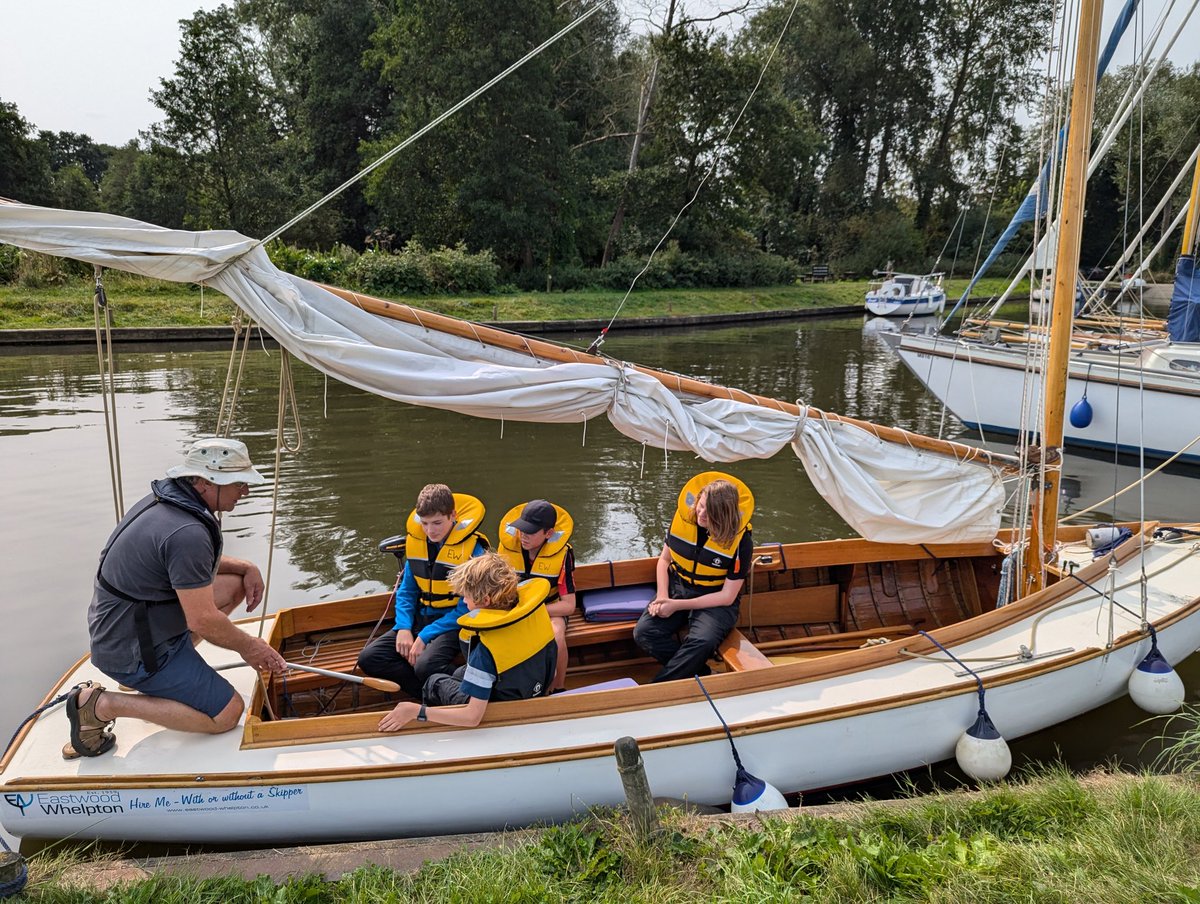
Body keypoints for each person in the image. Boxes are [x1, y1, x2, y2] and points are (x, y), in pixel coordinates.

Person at [65, 438, 287, 760]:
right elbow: (203, 620)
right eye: (239, 483)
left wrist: (247, 566)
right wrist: (251, 647)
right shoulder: (187, 533)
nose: (246, 491)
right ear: (208, 483)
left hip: (129, 625)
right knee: (227, 712)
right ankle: (100, 705)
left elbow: (179, 564)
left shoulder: (170, 504)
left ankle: (163, 675)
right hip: (134, 648)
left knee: (235, 583)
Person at [378, 552, 556, 730]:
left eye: (467, 597)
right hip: (531, 689)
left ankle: (435, 730)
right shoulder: (535, 615)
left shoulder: (485, 649)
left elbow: (472, 717)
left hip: (501, 707)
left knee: (434, 682)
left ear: (485, 600)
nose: (464, 601)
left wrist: (416, 711)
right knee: (457, 676)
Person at [357, 483, 488, 698]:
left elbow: (467, 608)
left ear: (453, 515)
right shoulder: (418, 544)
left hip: (454, 624)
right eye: (425, 523)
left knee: (425, 665)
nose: (430, 530)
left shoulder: (474, 551)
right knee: (369, 658)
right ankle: (429, 697)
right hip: (420, 618)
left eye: (437, 523)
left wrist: (425, 636)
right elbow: (407, 592)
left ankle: (467, 693)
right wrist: (404, 628)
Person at [633, 472, 755, 683]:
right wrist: (663, 597)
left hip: (715, 598)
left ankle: (658, 687)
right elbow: (664, 561)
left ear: (724, 515)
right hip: (677, 588)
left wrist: (675, 606)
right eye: (701, 505)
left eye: (710, 512)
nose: (701, 514)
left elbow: (727, 597)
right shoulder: (683, 520)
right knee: (644, 633)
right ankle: (702, 673)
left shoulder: (741, 542)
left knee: (702, 642)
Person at [497, 499, 576, 693]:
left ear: (548, 533)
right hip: (514, 609)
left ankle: (558, 688)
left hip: (550, 608)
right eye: (521, 529)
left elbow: (568, 606)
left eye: (530, 531)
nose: (523, 535)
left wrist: (535, 611)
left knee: (556, 636)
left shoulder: (563, 555)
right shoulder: (507, 549)